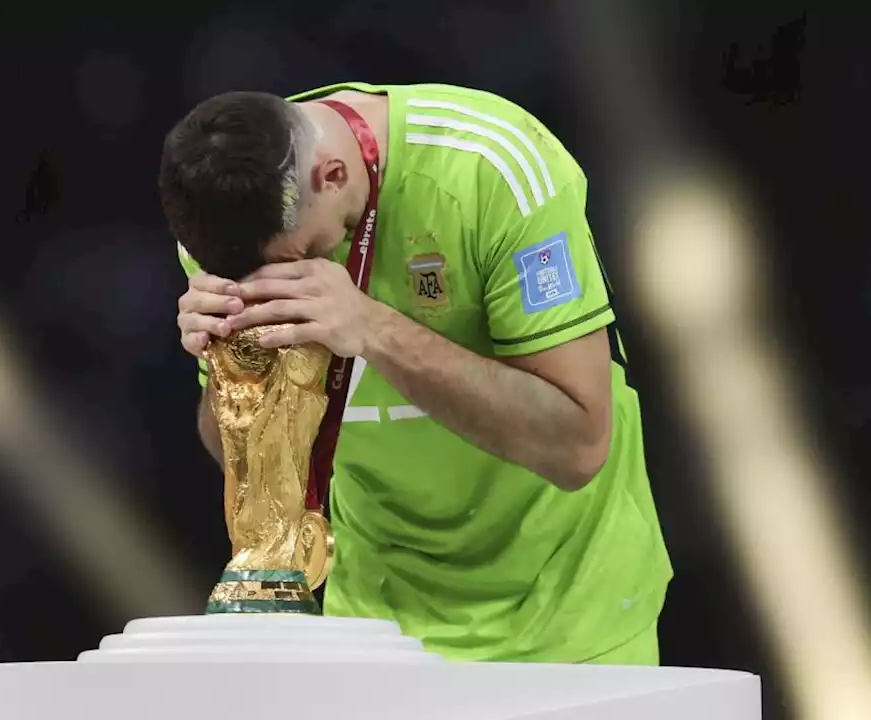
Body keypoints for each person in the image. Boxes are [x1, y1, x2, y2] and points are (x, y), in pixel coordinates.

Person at [159, 81, 672, 664]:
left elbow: (577, 447)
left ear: (332, 176)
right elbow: (242, 466)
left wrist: (373, 329)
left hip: (567, 623)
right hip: (376, 634)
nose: (284, 283)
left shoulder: (492, 168)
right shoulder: (231, 221)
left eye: (296, 259)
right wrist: (232, 373)